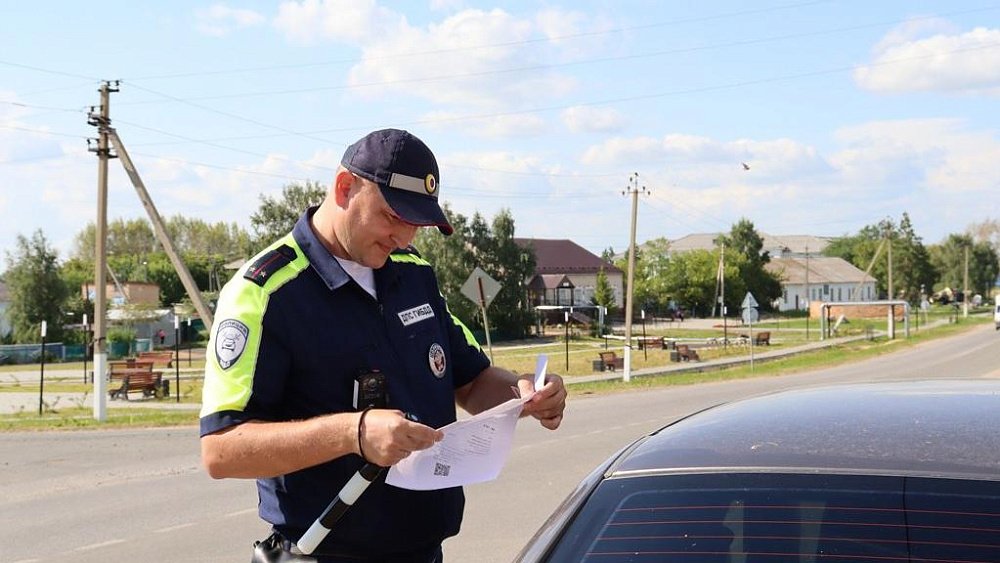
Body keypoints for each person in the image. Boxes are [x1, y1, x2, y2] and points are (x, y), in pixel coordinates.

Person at [199, 129, 567, 562]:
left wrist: (525, 395)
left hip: (424, 551)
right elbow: (221, 450)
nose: (405, 238)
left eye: (416, 224)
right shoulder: (266, 293)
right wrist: (353, 434)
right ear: (344, 189)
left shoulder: (414, 275)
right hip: (325, 552)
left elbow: (470, 380)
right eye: (393, 216)